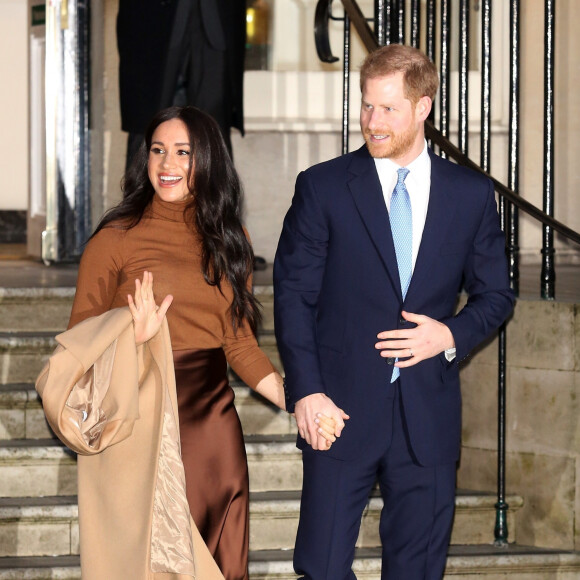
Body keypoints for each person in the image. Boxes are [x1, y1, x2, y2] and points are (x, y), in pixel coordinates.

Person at [273, 44, 515, 579]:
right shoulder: (324, 187)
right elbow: (293, 295)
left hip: (426, 420)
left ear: (423, 107)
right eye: (366, 107)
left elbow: (496, 295)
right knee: (322, 566)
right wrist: (307, 392)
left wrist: (446, 335)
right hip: (337, 410)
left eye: (388, 109)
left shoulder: (469, 195)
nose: (372, 122)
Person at [68, 106, 338, 580]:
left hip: (212, 430)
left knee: (214, 560)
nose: (166, 164)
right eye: (157, 151)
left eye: (182, 152)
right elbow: (78, 346)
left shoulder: (231, 241)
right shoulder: (114, 240)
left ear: (208, 162)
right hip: (141, 420)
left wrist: (303, 402)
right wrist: (131, 336)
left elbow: (240, 347)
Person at [117, 0, 247, 167]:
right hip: (151, 21)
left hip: (215, 17)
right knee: (147, 125)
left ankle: (215, 192)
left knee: (214, 131)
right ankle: (142, 192)